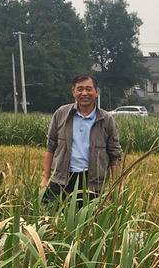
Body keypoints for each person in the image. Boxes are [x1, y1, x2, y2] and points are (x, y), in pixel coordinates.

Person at [40, 74, 122, 205]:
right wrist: (45, 178)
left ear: (96, 92)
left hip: (92, 183)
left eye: (89, 89)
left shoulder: (106, 119)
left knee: (88, 222)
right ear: (73, 92)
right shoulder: (61, 114)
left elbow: (115, 154)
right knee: (53, 219)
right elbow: (51, 146)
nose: (84, 93)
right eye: (80, 89)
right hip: (62, 179)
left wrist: (116, 184)